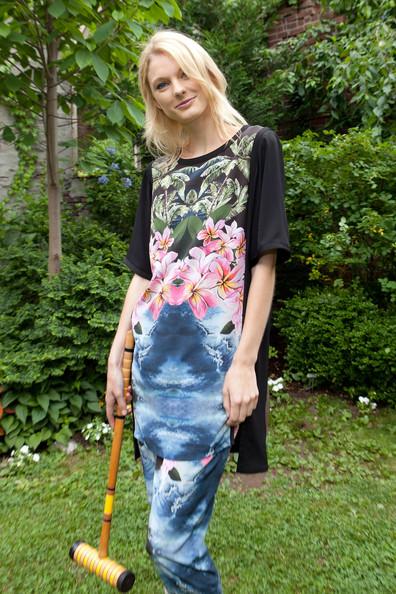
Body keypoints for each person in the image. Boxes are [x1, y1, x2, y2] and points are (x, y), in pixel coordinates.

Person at [105, 29, 290, 594]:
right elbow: (145, 270)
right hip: (152, 376)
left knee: (169, 540)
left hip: (211, 379)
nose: (176, 89)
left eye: (183, 73)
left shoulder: (256, 147)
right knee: (170, 528)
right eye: (162, 84)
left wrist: (244, 364)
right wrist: (117, 358)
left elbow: (264, 261)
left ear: (205, 69)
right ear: (153, 98)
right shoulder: (158, 170)